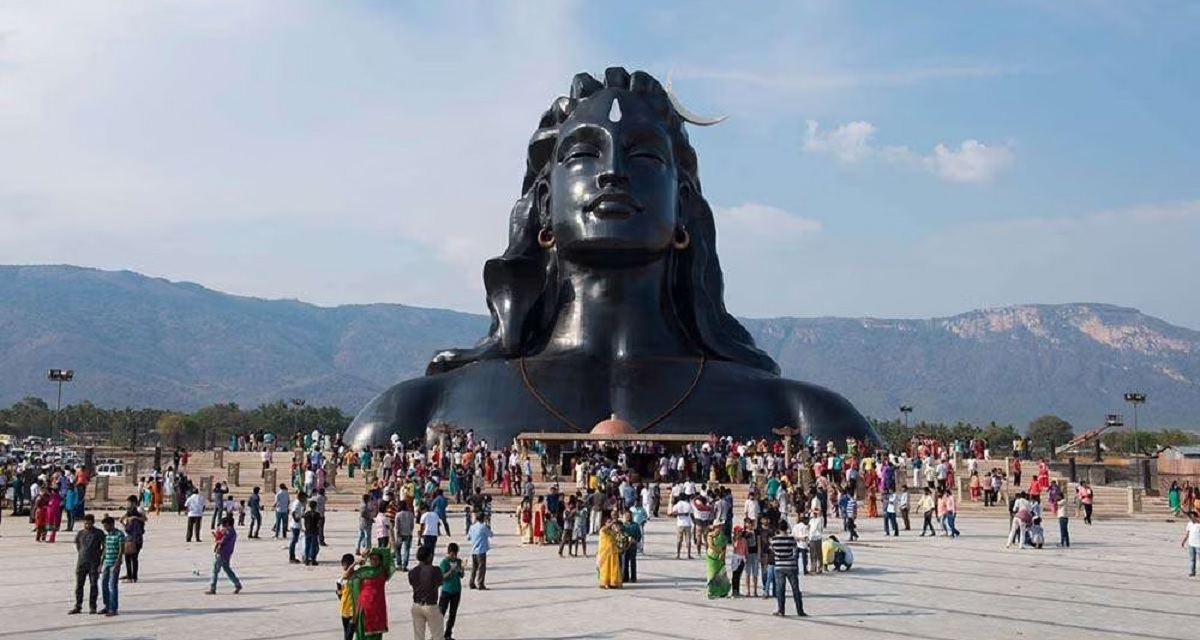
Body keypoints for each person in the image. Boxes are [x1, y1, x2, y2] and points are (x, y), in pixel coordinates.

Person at [347, 546, 396, 640]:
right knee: (362, 633)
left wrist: (371, 550)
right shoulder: (363, 571)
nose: (373, 561)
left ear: (380, 560)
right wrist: (356, 562)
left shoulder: (383, 571)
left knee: (376, 634)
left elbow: (388, 554)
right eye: (371, 559)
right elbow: (347, 576)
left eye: (376, 559)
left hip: (377, 608)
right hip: (364, 607)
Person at [69, 514, 104, 615]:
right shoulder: (80, 533)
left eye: (89, 523)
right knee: (79, 585)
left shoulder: (98, 533)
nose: (87, 525)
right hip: (81, 562)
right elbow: (78, 545)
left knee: (93, 585)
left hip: (94, 563)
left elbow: (104, 545)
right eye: (85, 523)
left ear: (93, 523)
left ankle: (93, 606)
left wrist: (99, 555)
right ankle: (78, 605)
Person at [770, 520, 806, 617]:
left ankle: (781, 610)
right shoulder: (791, 539)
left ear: (778, 528)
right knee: (795, 589)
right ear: (787, 528)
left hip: (779, 567)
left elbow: (773, 551)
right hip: (791, 566)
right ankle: (800, 611)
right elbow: (795, 553)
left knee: (780, 589)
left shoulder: (774, 540)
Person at [409, 546, 444, 640]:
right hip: (430, 605)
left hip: (416, 605)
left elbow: (413, 583)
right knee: (438, 635)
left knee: (418, 636)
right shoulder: (434, 570)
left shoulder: (412, 572)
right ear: (429, 557)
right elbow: (440, 582)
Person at [207, 515, 243, 594]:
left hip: (221, 553)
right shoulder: (232, 532)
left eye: (223, 524)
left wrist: (216, 539)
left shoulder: (228, 532)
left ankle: (212, 588)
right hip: (227, 554)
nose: (222, 526)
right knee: (227, 569)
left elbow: (222, 541)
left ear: (227, 524)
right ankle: (237, 584)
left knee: (215, 571)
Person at [99, 515, 125, 616]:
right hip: (107, 562)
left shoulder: (119, 534)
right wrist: (101, 563)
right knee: (104, 584)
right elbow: (105, 549)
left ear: (112, 525)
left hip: (114, 563)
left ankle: (113, 608)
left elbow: (121, 549)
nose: (105, 528)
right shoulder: (107, 535)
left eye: (106, 526)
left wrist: (118, 563)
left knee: (112, 586)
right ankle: (107, 605)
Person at [438, 543, 465, 640]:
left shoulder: (458, 561)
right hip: (446, 591)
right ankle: (437, 634)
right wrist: (451, 571)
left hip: (456, 591)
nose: (454, 557)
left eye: (455, 554)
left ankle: (448, 634)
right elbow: (442, 577)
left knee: (453, 614)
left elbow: (462, 575)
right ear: (448, 553)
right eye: (452, 554)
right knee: (441, 613)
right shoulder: (444, 563)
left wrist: (461, 569)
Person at [120, 497, 146, 582]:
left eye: (129, 503)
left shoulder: (136, 514)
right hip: (137, 539)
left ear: (134, 503)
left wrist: (126, 523)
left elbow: (129, 529)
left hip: (133, 540)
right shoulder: (132, 514)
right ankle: (133, 576)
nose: (127, 504)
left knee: (129, 558)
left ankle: (131, 576)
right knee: (134, 558)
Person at [704, 523, 731, 598]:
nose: (720, 528)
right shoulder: (710, 535)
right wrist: (719, 550)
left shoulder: (723, 536)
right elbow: (711, 546)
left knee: (721, 574)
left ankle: (723, 591)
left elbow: (724, 547)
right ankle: (711, 591)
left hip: (720, 557)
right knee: (712, 574)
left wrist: (723, 555)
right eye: (718, 526)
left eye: (720, 526)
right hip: (712, 557)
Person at [466, 511, 492, 590]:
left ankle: (471, 582)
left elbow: (468, 538)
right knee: (481, 568)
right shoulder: (483, 527)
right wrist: (488, 527)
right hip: (481, 550)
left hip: (474, 550)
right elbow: (491, 535)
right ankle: (480, 583)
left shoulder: (472, 527)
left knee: (474, 567)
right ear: (483, 518)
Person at [597, 518, 623, 589]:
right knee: (605, 568)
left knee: (613, 568)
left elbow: (618, 537)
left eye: (611, 522)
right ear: (605, 523)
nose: (610, 524)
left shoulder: (613, 531)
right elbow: (605, 529)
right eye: (608, 522)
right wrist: (612, 523)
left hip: (613, 552)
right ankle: (605, 583)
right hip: (605, 553)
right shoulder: (603, 530)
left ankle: (613, 582)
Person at [338, 554, 356, 640]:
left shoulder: (357, 577)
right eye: (344, 565)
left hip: (354, 610)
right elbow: (339, 595)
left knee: (349, 634)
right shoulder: (340, 580)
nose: (345, 567)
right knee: (346, 633)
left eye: (347, 565)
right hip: (344, 610)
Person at [621, 510, 641, 583]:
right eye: (626, 516)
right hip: (624, 546)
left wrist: (635, 540)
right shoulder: (622, 526)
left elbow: (639, 535)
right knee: (625, 562)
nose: (627, 517)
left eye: (628, 516)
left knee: (633, 561)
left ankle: (633, 577)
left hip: (633, 545)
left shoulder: (635, 525)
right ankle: (625, 577)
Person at [395, 500, 416, 571]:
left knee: (398, 550)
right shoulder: (410, 514)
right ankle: (405, 565)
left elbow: (396, 526)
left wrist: (398, 533)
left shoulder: (398, 514)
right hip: (408, 534)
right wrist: (410, 530)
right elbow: (412, 525)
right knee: (407, 550)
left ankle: (399, 564)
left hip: (400, 534)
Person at [303, 499, 322, 566]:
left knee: (307, 546)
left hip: (307, 531)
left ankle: (306, 559)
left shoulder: (306, 514)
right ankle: (313, 560)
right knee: (313, 546)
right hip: (314, 531)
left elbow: (305, 523)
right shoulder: (317, 514)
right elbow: (319, 523)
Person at [1181, 510, 1200, 577]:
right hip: (1191, 544)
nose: (1190, 518)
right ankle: (1192, 572)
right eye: (1190, 517)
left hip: (1198, 545)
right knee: (1192, 559)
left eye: (1192, 516)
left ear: (1196, 516)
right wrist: (1183, 541)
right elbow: (1187, 534)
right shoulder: (1189, 524)